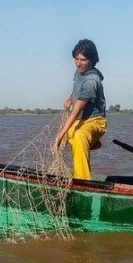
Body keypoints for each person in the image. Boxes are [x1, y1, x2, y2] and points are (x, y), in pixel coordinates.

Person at [53, 39, 107, 180]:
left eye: (83, 60)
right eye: (76, 59)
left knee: (78, 136)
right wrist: (70, 98)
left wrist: (59, 136)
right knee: (70, 133)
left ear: (93, 60)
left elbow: (75, 111)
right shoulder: (79, 72)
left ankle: (83, 181)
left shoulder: (91, 81)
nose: (78, 63)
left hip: (95, 121)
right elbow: (77, 90)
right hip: (81, 120)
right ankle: (92, 143)